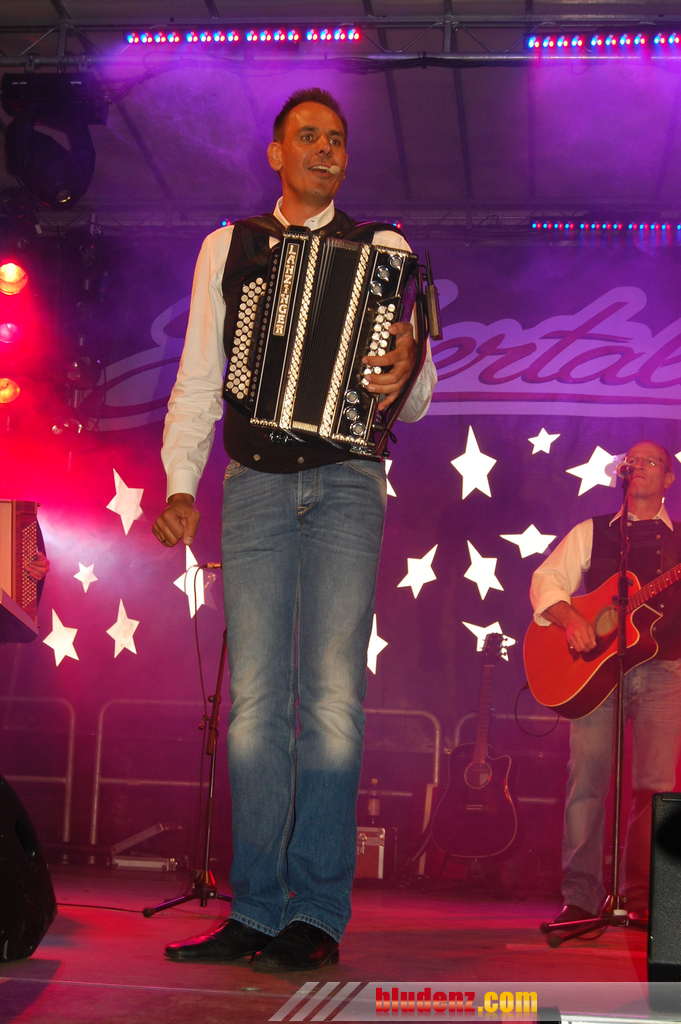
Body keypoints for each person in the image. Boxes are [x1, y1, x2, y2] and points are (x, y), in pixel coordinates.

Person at [153, 88, 436, 970]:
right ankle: (255, 909)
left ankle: (314, 912)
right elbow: (200, 375)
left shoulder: (385, 251)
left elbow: (415, 401)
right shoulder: (227, 247)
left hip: (349, 481)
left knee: (331, 702)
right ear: (275, 153)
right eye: (308, 137)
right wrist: (181, 482)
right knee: (254, 708)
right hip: (253, 484)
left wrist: (407, 367)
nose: (325, 150)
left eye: (337, 139)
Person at [530, 440, 681, 926]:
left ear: (669, 479)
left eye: (650, 461)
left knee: (657, 790)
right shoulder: (592, 531)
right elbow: (546, 579)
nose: (638, 466)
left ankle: (645, 898)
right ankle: (579, 897)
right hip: (596, 673)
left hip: (666, 668)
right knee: (587, 782)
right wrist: (573, 618)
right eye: (631, 460)